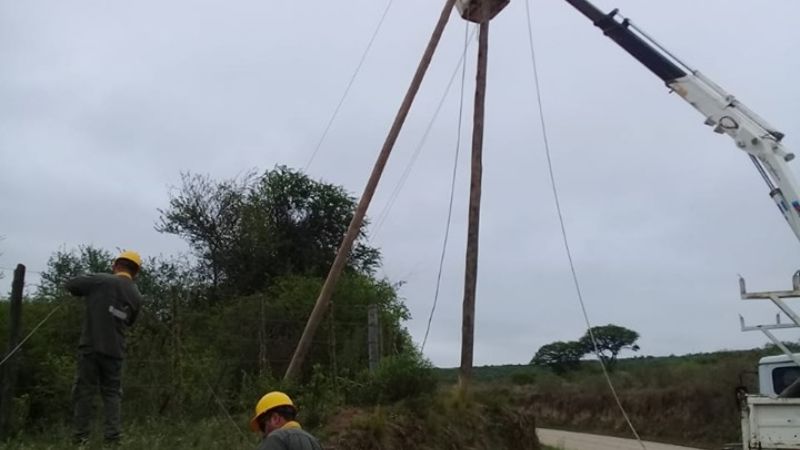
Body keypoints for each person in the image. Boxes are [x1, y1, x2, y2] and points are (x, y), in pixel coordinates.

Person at [65, 250, 144, 445]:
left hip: (90, 347)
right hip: (115, 351)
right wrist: (114, 310)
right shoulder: (136, 294)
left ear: (115, 265)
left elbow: (71, 285)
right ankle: (112, 440)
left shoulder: (101, 280)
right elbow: (128, 321)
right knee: (112, 394)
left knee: (84, 392)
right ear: (136, 272)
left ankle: (80, 440)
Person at [250, 391, 322, 450]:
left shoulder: (275, 439)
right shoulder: (313, 441)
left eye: (263, 426)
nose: (263, 433)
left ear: (275, 418)